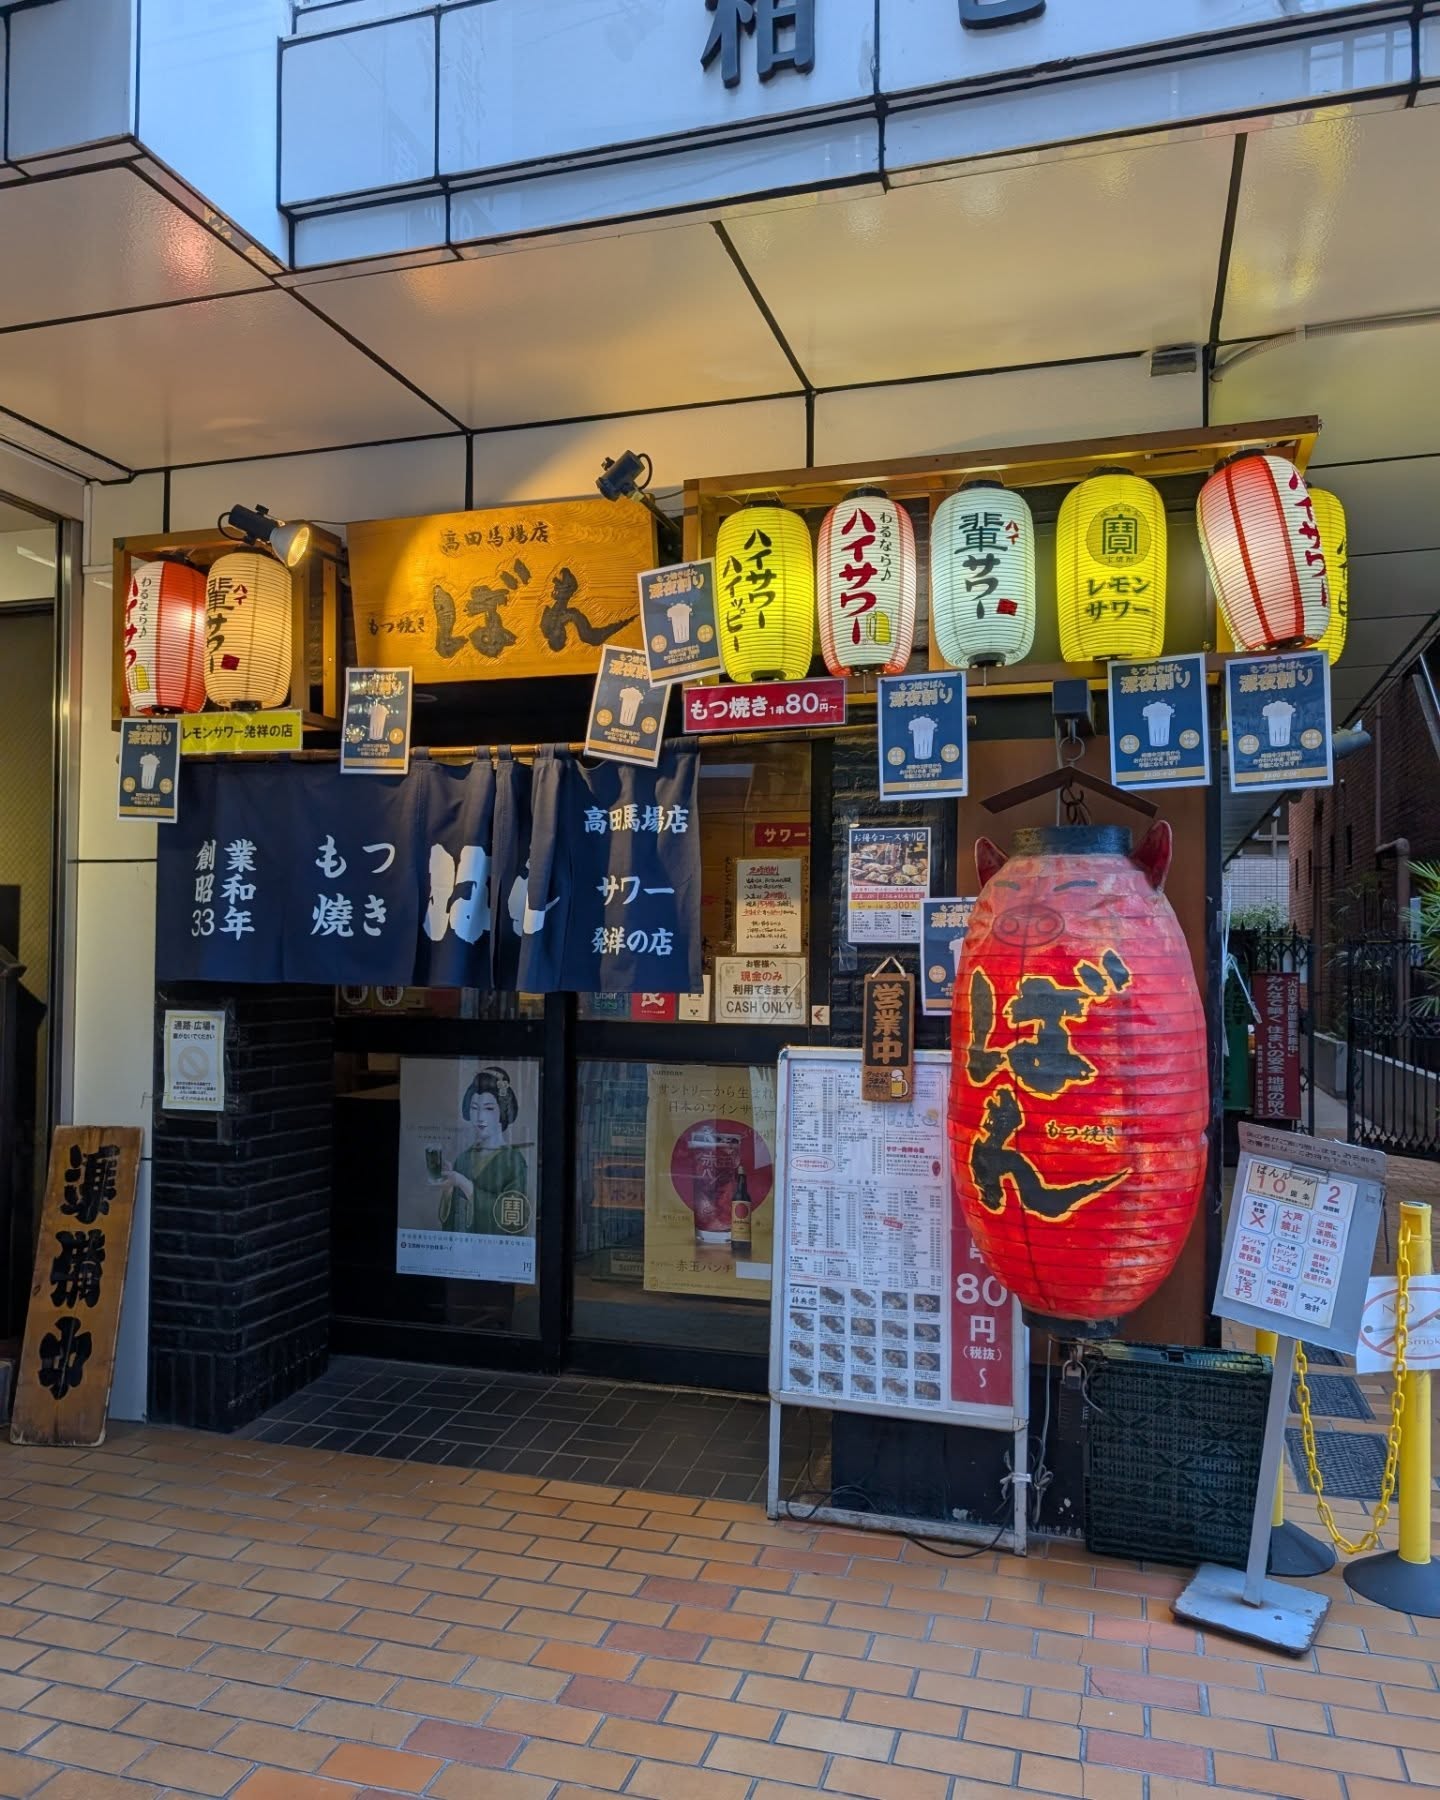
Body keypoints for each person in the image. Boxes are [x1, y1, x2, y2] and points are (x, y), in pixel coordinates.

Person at [438, 1066, 529, 1234]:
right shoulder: (463, 1159)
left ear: (502, 1112)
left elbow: (514, 1219)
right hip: (464, 1249)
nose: (480, 1117)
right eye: (474, 1108)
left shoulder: (514, 1160)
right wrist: (449, 1190)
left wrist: (465, 1184)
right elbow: (451, 1222)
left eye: (488, 1109)